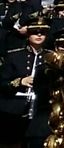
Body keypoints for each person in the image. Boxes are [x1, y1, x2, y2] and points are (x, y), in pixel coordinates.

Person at [0, 15, 51, 148]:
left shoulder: (51, 58)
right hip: (14, 110)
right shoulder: (14, 56)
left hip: (40, 110)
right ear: (28, 34)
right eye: (35, 32)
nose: (39, 35)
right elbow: (2, 83)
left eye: (43, 32)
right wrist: (20, 81)